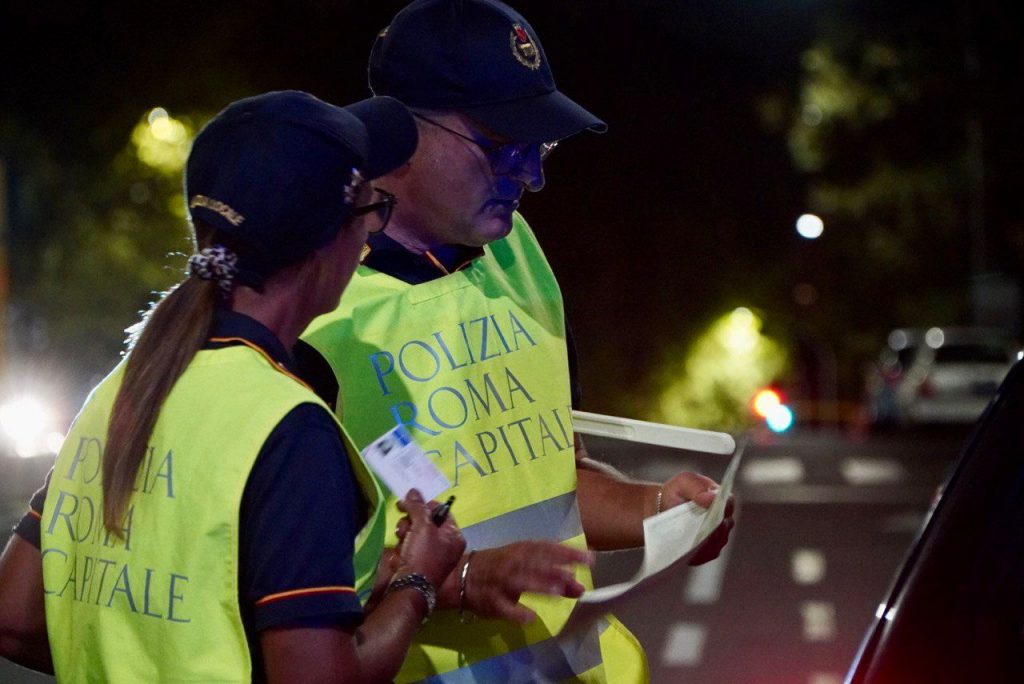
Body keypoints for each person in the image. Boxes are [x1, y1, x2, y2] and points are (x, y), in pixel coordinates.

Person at [300, 1, 737, 681]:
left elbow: (549, 479)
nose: (532, 175)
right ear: (397, 131)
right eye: (503, 144)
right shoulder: (312, 308)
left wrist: (659, 510)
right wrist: (454, 580)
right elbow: (274, 578)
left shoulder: (516, 252)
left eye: (542, 146)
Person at [0, 90, 466, 683]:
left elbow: (14, 616)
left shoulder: (123, 390)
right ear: (330, 240)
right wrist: (416, 585)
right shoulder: (288, 428)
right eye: (373, 210)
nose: (371, 236)